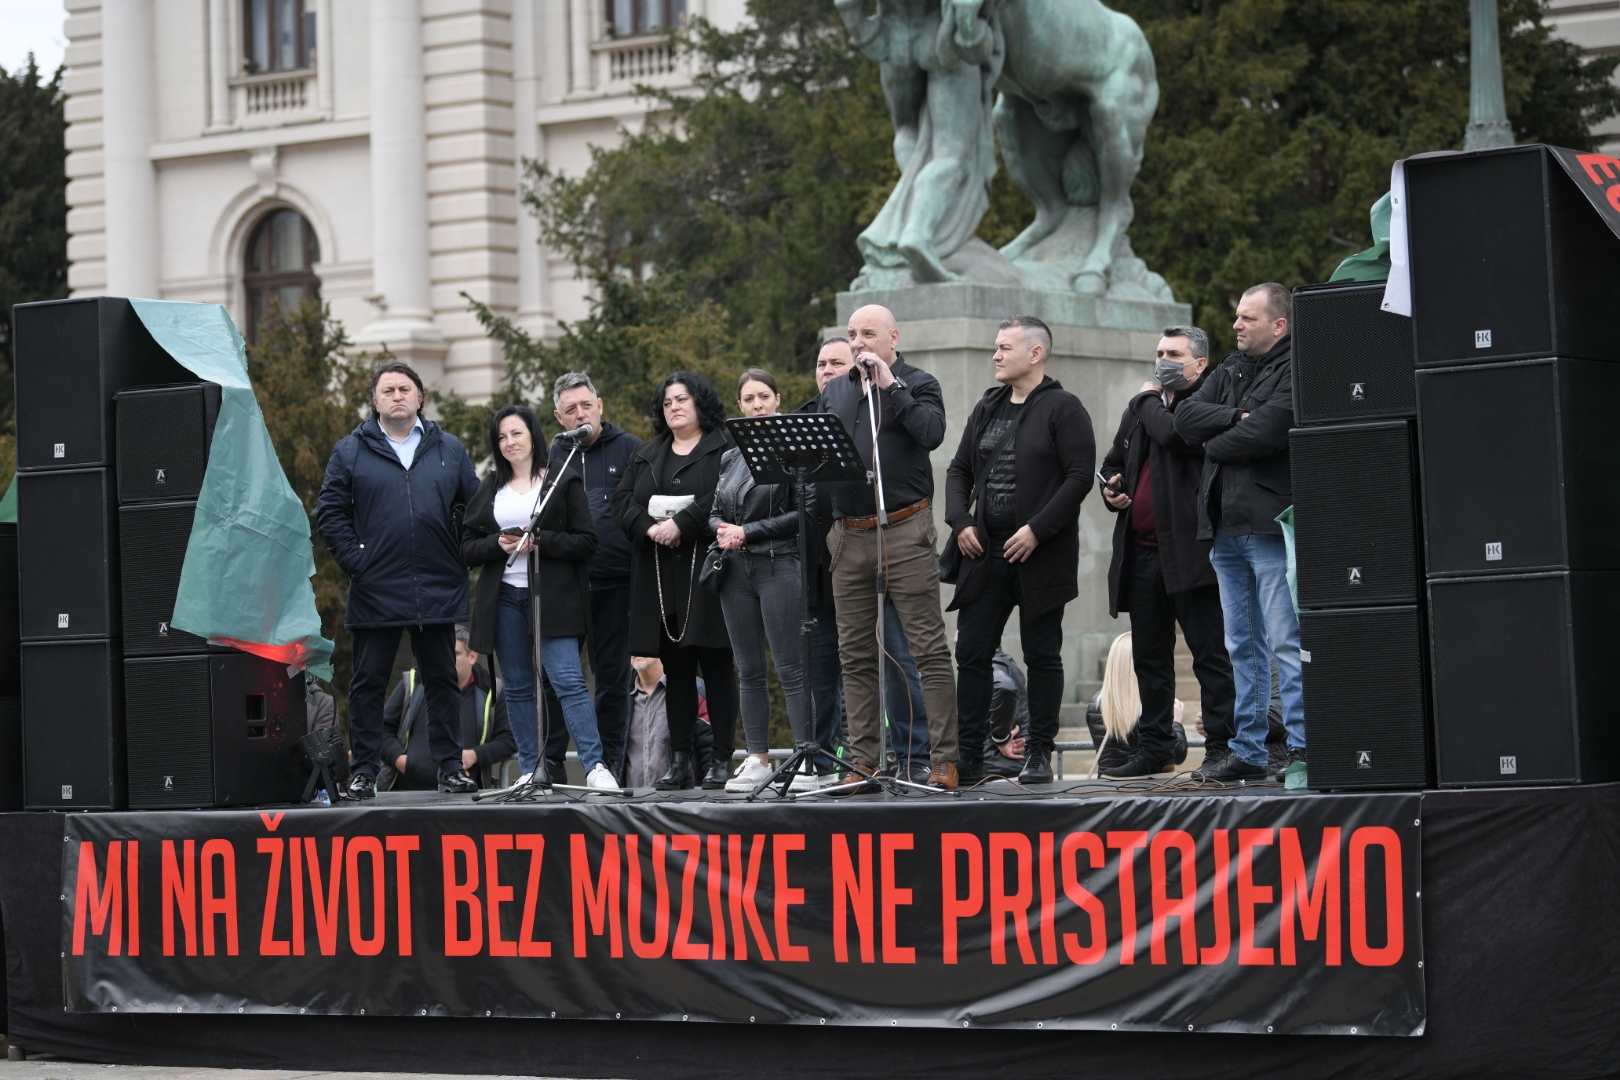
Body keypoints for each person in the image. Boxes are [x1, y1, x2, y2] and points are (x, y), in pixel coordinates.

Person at [316, 361, 482, 798]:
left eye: (404, 389)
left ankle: (451, 768)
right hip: (376, 587)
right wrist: (358, 563)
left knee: (442, 679)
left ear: (420, 398)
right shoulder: (349, 451)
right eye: (387, 390)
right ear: (374, 402)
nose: (397, 396)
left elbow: (476, 508)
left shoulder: (449, 448)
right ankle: (364, 771)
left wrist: (459, 558)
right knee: (368, 682)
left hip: (437, 583)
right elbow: (330, 514)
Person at [945, 314, 1094, 785]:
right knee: (972, 653)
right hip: (984, 554)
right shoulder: (987, 406)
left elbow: (1079, 477)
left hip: (1040, 555)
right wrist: (961, 521)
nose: (995, 355)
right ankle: (969, 757)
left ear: (1035, 353)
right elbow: (958, 470)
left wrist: (1037, 530)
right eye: (995, 347)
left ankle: (1039, 752)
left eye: (1004, 347)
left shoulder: (1064, 407)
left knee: (1042, 653)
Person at [821, 305, 959, 790]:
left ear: (893, 338)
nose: (858, 342)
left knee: (928, 650)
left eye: (868, 333)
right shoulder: (836, 391)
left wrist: (890, 386)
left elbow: (932, 433)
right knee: (855, 656)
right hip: (849, 534)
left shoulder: (918, 383)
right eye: (852, 334)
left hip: (903, 528)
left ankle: (943, 759)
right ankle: (864, 762)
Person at [1174, 283, 1305, 781]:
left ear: (1279, 325)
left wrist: (1215, 442)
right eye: (1237, 316)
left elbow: (1268, 430)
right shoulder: (1229, 367)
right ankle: (1249, 750)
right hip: (1223, 527)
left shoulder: (1298, 366)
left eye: (1248, 318)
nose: (1236, 325)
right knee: (1241, 645)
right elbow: (1184, 418)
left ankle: (1302, 749)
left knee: (1286, 641)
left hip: (1267, 526)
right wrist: (1233, 418)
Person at [1098, 325, 1238, 777]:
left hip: (1193, 553)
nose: (1163, 361)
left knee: (1210, 655)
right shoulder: (1143, 409)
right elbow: (1112, 462)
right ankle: (1155, 748)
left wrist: (1143, 400)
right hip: (1141, 554)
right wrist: (1111, 488)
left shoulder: (1206, 403)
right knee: (1149, 660)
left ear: (1200, 364)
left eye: (1174, 354)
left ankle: (1222, 748)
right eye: (1159, 352)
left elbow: (1175, 434)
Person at [461, 404, 619, 791]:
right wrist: (497, 544)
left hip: (552, 597)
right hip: (503, 599)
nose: (509, 442)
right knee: (517, 687)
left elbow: (587, 541)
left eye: (516, 433)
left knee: (568, 681)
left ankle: (595, 766)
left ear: (533, 435)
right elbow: (467, 547)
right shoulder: (491, 487)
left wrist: (541, 541)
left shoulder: (561, 479)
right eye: (501, 437)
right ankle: (531, 768)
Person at [799, 338, 933, 785]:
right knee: (848, 663)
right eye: (821, 363)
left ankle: (915, 756)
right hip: (835, 555)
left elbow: (928, 435)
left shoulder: (899, 393)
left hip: (889, 539)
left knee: (899, 656)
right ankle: (858, 760)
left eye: (836, 362)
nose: (827, 370)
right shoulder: (812, 415)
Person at [613, 372, 740, 791]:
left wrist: (682, 524)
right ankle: (679, 759)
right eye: (667, 403)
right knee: (677, 669)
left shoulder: (725, 447)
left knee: (717, 666)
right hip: (660, 574)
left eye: (681, 399)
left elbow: (726, 494)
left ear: (699, 402)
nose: (674, 408)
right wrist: (649, 528)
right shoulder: (647, 453)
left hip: (710, 571)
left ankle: (721, 758)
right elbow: (622, 501)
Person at [711, 368, 815, 792]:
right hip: (735, 569)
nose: (757, 405)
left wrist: (747, 531)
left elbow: (804, 513)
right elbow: (715, 510)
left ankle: (806, 759)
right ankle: (757, 757)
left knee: (791, 668)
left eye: (764, 397)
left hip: (778, 564)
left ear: (777, 399)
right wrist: (722, 528)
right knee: (748, 669)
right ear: (740, 405)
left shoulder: (796, 449)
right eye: (749, 399)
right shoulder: (731, 456)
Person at [540, 373, 643, 783]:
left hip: (615, 582)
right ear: (559, 417)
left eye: (586, 405)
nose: (580, 414)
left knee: (612, 679)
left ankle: (608, 763)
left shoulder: (631, 449)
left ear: (600, 406)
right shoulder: (552, 457)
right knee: (556, 678)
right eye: (571, 409)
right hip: (565, 585)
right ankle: (549, 762)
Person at [378, 626, 516, 790]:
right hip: (404, 794)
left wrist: (475, 755)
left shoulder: (492, 690)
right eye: (442, 653)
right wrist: (399, 759)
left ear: (472, 656)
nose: (446, 659)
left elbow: (509, 738)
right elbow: (381, 728)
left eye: (455, 654)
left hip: (462, 796)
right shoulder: (412, 682)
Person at [1084, 632, 1188, 775]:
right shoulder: (1152, 703)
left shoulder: (1095, 703)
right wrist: (1175, 723)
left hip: (1107, 782)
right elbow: (1178, 754)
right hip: (1145, 786)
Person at [982, 649, 1029, 781]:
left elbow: (1005, 688)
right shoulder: (1005, 664)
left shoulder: (991, 665)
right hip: (1009, 766)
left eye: (958, 643)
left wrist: (1001, 739)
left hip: (998, 768)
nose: (955, 651)